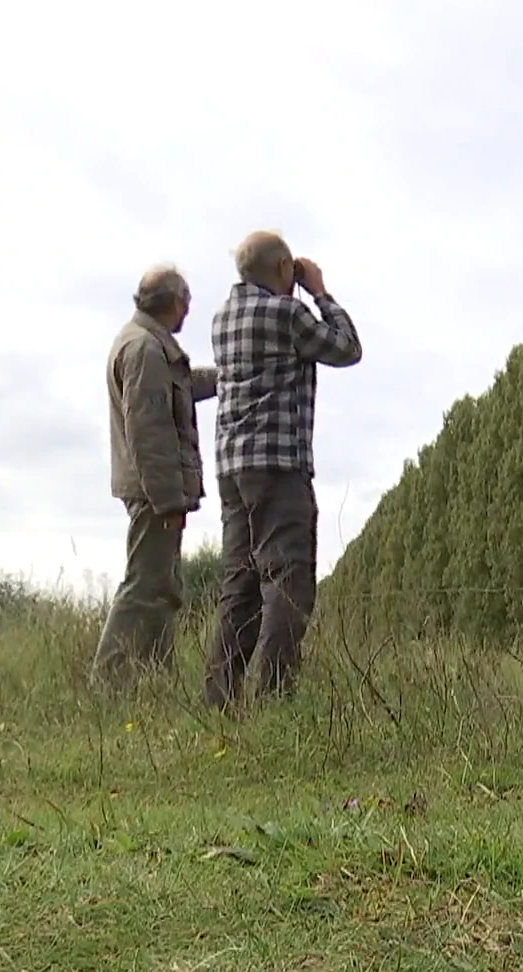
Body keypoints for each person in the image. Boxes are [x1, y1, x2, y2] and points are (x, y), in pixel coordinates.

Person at [202, 230, 362, 706]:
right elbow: (346, 348)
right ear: (282, 270)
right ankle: (272, 701)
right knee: (287, 585)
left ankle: (220, 700)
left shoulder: (220, 319)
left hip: (232, 469)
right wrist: (319, 291)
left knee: (241, 586)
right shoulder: (286, 313)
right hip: (278, 466)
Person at [90, 263, 216, 687]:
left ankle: (155, 679)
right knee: (144, 586)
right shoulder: (144, 348)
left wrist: (226, 376)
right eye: (187, 302)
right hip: (153, 491)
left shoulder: (144, 343)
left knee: (162, 586)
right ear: (176, 301)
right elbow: (149, 432)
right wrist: (168, 500)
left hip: (149, 488)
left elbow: (178, 385)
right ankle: (107, 684)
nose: (187, 312)